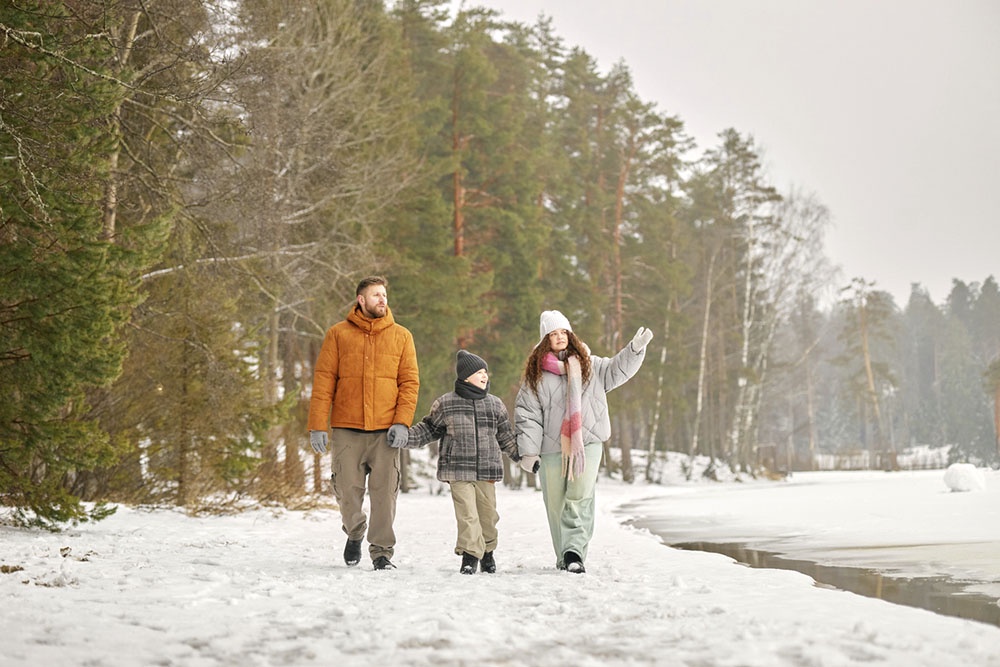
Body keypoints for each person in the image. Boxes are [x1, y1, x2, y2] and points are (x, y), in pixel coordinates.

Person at [515, 310, 652, 574]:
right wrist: (529, 452)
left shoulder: (591, 364)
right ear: (545, 339)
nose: (559, 338)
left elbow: (617, 370)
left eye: (563, 332)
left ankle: (574, 551)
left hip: (587, 443)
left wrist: (634, 350)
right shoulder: (536, 376)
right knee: (555, 504)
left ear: (570, 334)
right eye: (553, 334)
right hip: (551, 448)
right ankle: (563, 556)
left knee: (580, 495)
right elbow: (527, 414)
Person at [307, 276, 419, 571]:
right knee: (346, 490)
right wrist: (317, 424)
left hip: (386, 431)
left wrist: (402, 422)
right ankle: (355, 531)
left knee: (385, 495)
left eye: (384, 295)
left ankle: (382, 552)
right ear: (361, 300)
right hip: (347, 429)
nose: (383, 300)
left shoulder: (402, 336)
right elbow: (323, 382)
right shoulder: (337, 335)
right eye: (376, 295)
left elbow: (409, 383)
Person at [390, 349, 528, 575]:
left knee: (488, 516)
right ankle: (470, 555)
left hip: (487, 469)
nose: (485, 376)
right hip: (457, 469)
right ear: (465, 377)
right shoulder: (446, 403)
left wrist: (522, 457)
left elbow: (505, 437)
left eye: (486, 372)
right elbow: (429, 429)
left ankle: (488, 551)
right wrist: (406, 437)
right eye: (479, 372)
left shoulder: (495, 405)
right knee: (467, 514)